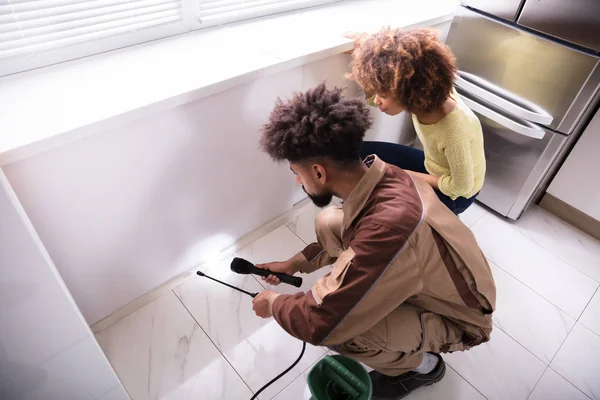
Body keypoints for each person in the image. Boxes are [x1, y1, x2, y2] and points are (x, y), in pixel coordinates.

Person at [251, 83, 496, 400]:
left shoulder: (390, 227)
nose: (298, 181)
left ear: (318, 173)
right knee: (329, 220)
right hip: (430, 275)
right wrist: (293, 265)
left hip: (458, 315)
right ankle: (368, 293)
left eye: (297, 173)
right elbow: (355, 234)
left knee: (346, 334)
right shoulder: (380, 173)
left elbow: (320, 322)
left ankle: (423, 367)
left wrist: (272, 303)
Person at [345, 27, 486, 215]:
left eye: (383, 95)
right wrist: (365, 52)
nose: (377, 100)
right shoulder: (426, 94)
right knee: (352, 154)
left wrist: (402, 174)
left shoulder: (454, 130)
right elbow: (380, 92)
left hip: (455, 196)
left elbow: (460, 187)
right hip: (433, 168)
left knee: (385, 201)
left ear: (409, 93)